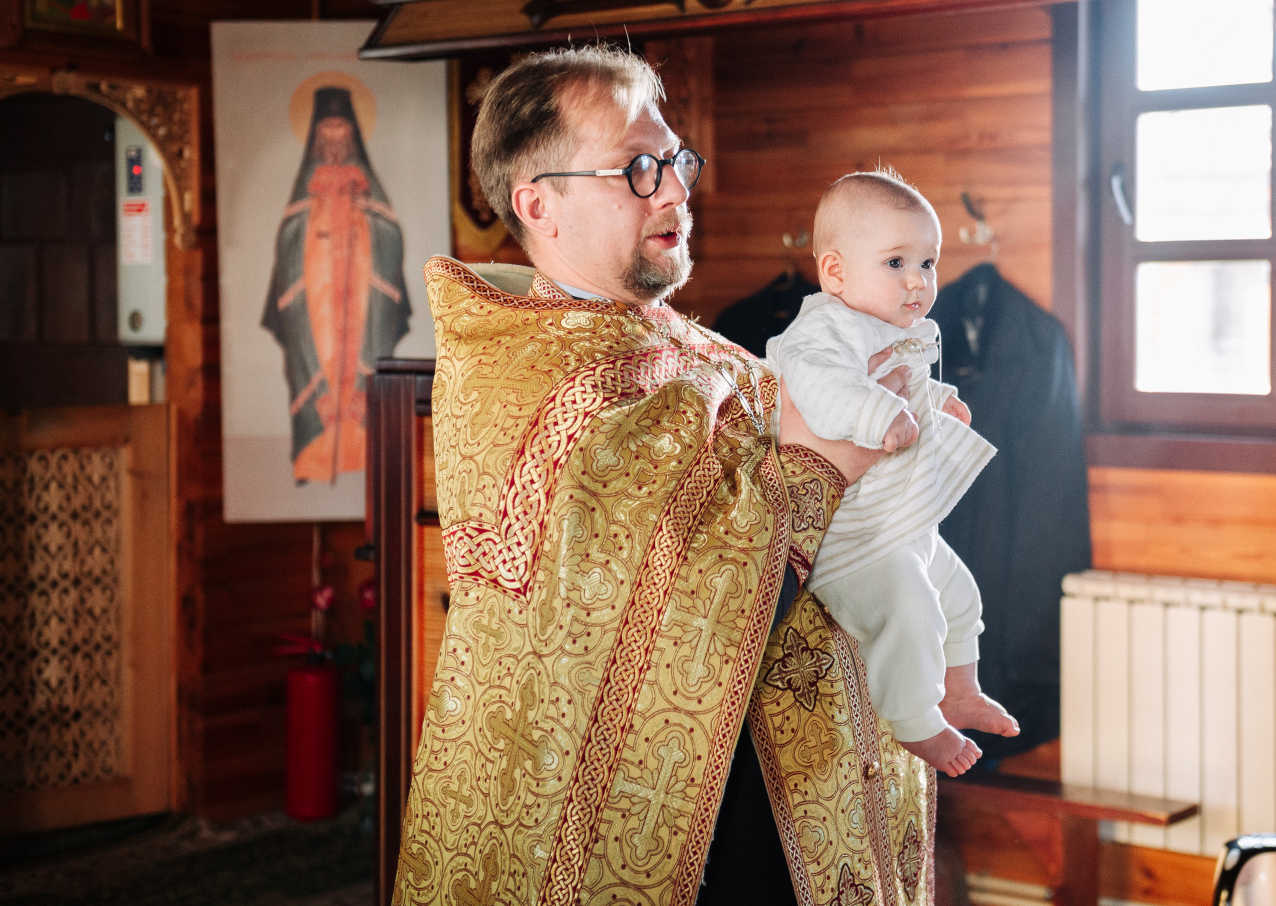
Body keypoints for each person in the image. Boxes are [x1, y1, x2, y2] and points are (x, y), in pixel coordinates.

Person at [391, 46, 939, 906]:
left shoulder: (682, 342)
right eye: (638, 168)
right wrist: (826, 468)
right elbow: (688, 603)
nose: (676, 190)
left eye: (676, 161)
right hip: (683, 840)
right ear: (539, 204)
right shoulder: (544, 378)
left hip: (775, 803)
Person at [766, 170, 1017, 777]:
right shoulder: (821, 331)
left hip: (897, 523)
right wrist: (882, 415)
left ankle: (960, 688)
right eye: (896, 261)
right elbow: (826, 388)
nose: (918, 281)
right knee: (913, 608)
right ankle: (915, 722)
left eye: (928, 263)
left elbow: (906, 381)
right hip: (854, 543)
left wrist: (940, 401)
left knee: (961, 597)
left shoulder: (892, 324)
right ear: (835, 272)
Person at [263, 85, 409, 483]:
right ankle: (316, 452)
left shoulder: (373, 207)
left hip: (360, 315)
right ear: (313, 136)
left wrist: (367, 226)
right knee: (321, 366)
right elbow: (288, 286)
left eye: (340, 130)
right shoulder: (299, 215)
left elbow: (390, 256)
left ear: (353, 134)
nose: (333, 141)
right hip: (319, 320)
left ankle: (361, 449)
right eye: (325, 131)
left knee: (361, 414)